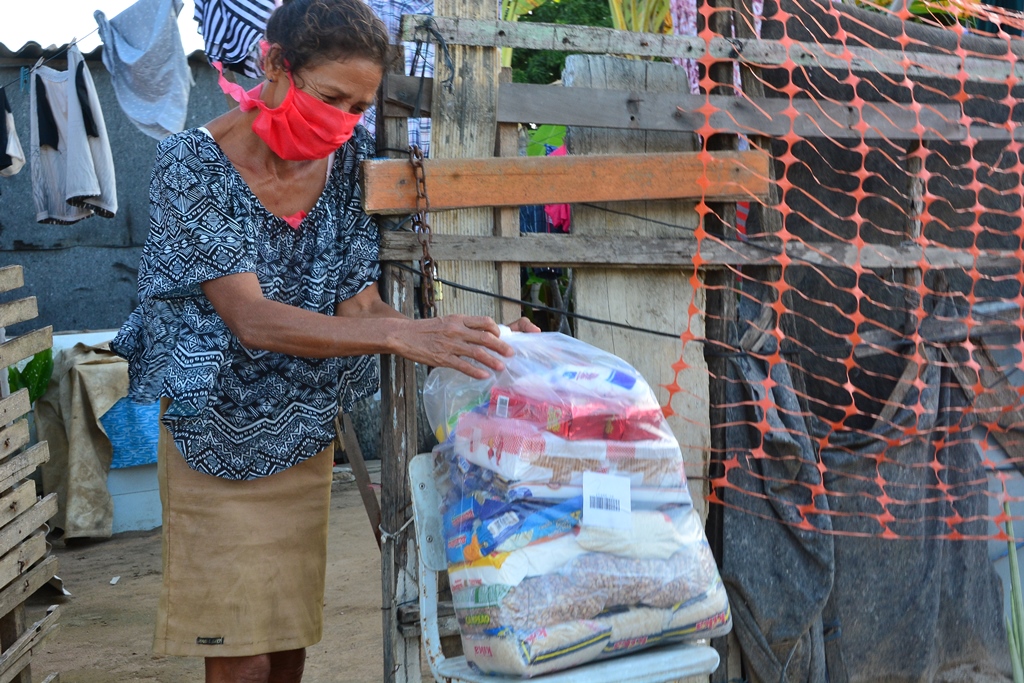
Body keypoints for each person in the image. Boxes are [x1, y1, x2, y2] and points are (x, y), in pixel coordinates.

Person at [110, 1, 538, 681]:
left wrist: (469, 337)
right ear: (275, 65)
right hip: (213, 434)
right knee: (239, 651)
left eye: (358, 106)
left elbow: (360, 301)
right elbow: (250, 317)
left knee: (286, 644)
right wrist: (402, 334)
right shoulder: (189, 166)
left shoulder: (350, 163)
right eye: (331, 97)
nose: (342, 121)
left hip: (303, 429)